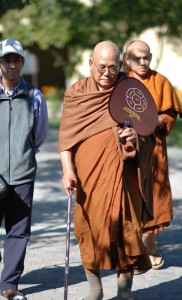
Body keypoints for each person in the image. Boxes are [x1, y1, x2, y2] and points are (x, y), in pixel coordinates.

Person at [58, 40, 156, 300]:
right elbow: (66, 139)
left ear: (120, 66)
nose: (106, 73)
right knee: (87, 229)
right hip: (88, 180)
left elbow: (149, 132)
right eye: (101, 66)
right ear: (91, 64)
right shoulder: (76, 94)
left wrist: (135, 137)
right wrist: (67, 171)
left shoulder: (129, 91)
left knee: (127, 232)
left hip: (124, 181)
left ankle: (124, 294)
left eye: (112, 67)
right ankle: (94, 288)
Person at [123, 40, 182, 270]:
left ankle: (150, 243)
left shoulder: (160, 81)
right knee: (129, 198)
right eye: (136, 58)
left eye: (146, 57)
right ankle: (134, 248)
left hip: (155, 150)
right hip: (127, 151)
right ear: (127, 60)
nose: (142, 62)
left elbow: (170, 116)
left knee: (156, 198)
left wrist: (155, 120)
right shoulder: (120, 82)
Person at [0, 38, 48, 300]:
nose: (12, 64)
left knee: (18, 231)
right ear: (0, 63)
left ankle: (9, 284)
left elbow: (39, 136)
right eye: (7, 59)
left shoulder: (34, 96)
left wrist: (23, 156)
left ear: (22, 62)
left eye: (16, 59)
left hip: (22, 175)